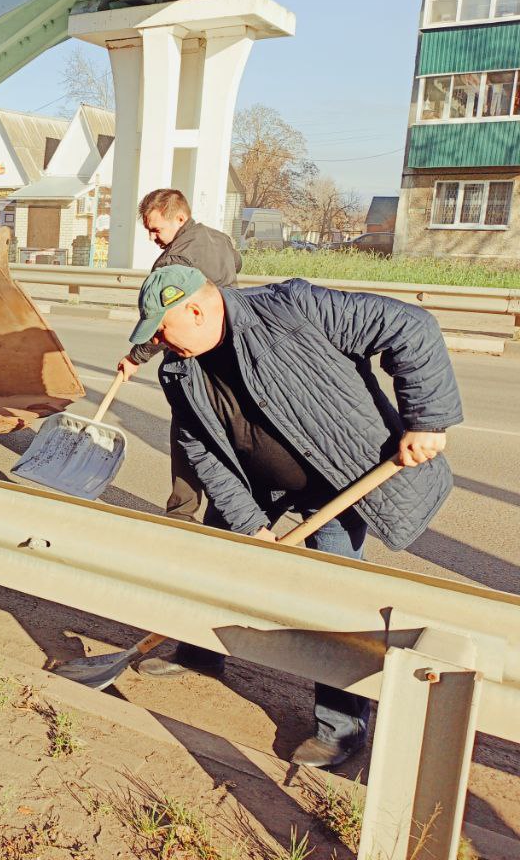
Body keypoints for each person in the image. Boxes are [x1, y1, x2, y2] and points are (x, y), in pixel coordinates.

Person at [127, 265, 461, 768]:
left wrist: (428, 419)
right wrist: (248, 525)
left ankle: (342, 727)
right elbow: (203, 450)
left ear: (195, 310)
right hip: (254, 483)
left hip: (339, 484)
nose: (157, 341)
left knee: (332, 600)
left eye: (161, 328)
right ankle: (200, 656)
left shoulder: (293, 308)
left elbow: (412, 327)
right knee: (218, 565)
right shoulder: (178, 371)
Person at [116, 189, 241, 522]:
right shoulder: (220, 240)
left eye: (156, 229)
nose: (153, 237)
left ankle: (181, 513)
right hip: (229, 347)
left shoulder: (173, 262)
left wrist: (135, 357)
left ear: (180, 218)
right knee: (227, 433)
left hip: (192, 354)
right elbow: (237, 266)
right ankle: (226, 513)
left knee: (189, 432)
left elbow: (163, 325)